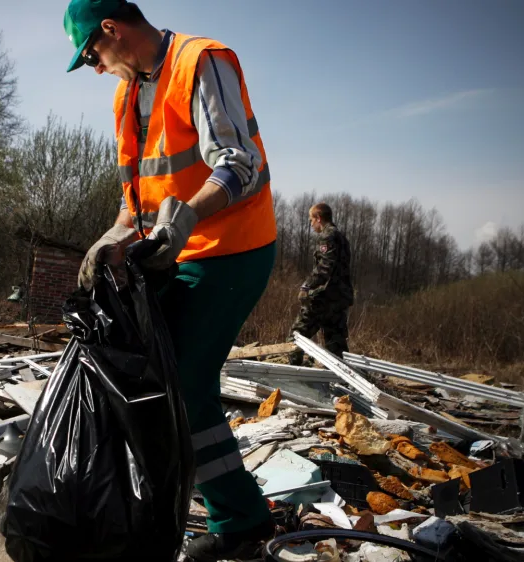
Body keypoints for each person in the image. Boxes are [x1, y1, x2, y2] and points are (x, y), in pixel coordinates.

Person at [63, 0, 278, 559]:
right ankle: (155, 504)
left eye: (92, 54)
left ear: (112, 30)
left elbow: (238, 162)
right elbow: (136, 198)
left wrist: (189, 215)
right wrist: (113, 237)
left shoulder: (201, 61)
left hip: (231, 248)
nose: (94, 67)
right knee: (139, 372)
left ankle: (241, 523)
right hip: (169, 252)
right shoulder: (127, 93)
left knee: (182, 384)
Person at [286, 203, 354, 366]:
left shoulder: (327, 236)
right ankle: (339, 380)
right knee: (335, 344)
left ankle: (293, 376)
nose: (311, 224)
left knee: (296, 337)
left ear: (318, 218)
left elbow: (325, 267)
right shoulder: (341, 237)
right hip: (340, 298)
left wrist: (306, 286)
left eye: (311, 220)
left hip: (325, 297)